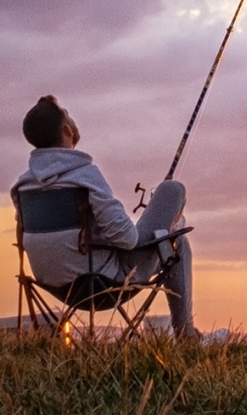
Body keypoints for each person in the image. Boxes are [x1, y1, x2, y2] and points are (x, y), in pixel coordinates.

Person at [12, 94, 197, 340]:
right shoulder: (84, 175)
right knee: (172, 192)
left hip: (52, 283)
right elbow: (128, 239)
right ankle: (186, 337)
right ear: (67, 130)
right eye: (68, 114)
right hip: (101, 282)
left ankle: (188, 334)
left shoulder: (23, 187)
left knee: (175, 242)